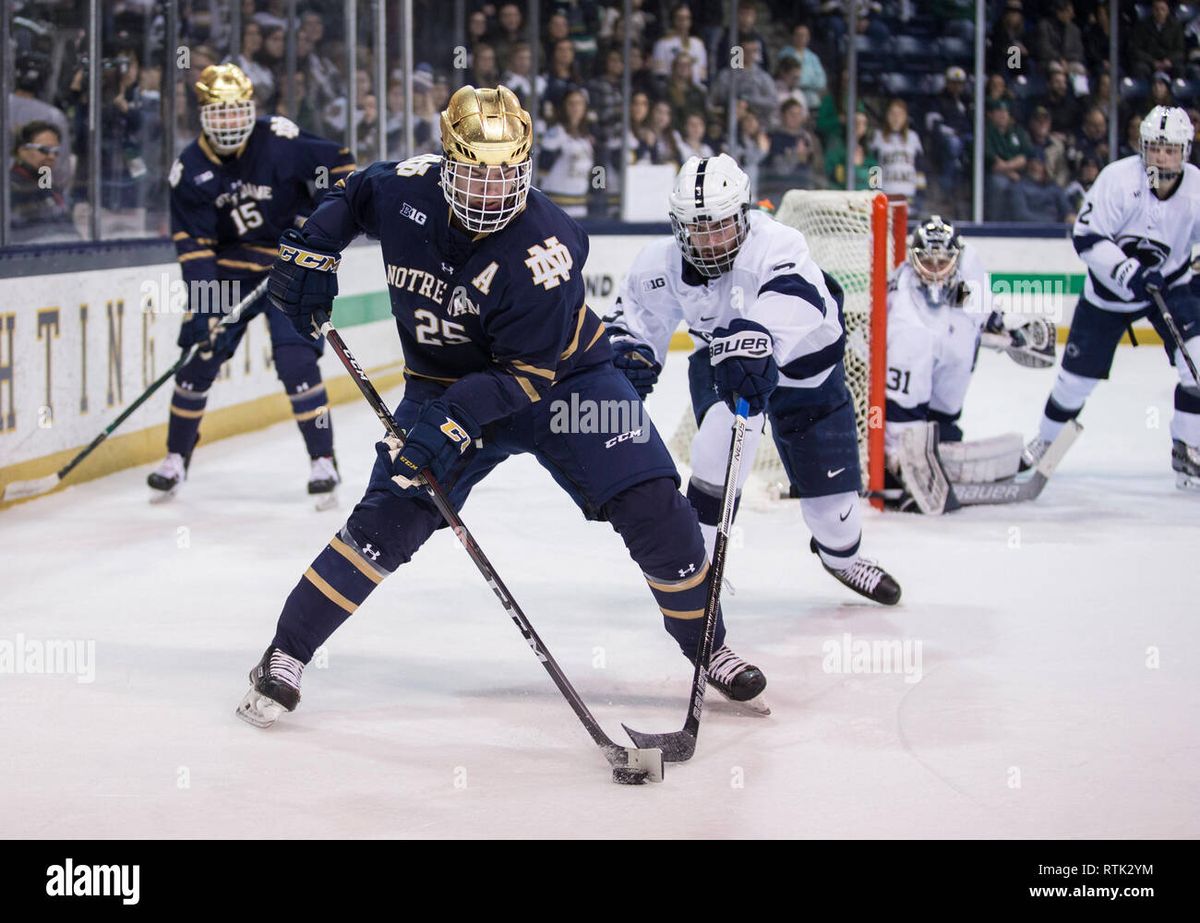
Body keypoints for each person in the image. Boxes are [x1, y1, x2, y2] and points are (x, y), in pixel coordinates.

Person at [237, 87, 768, 728]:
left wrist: (451, 421)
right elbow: (351, 196)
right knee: (389, 516)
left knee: (653, 502)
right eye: (475, 175)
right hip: (443, 383)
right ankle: (287, 652)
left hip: (568, 385)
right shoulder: (407, 188)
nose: (492, 193)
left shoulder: (546, 247)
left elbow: (524, 376)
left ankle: (709, 647)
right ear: (445, 163)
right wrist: (313, 247)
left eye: (507, 175)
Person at [605, 154, 902, 605]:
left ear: (744, 214)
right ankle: (695, 569)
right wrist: (629, 352)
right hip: (724, 361)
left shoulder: (778, 242)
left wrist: (758, 338)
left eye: (720, 225)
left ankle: (840, 557)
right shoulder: (658, 264)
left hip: (808, 371)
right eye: (696, 228)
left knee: (834, 515)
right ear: (678, 226)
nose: (708, 240)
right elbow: (635, 320)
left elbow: (799, 298)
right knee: (717, 448)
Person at [147, 64, 356, 503]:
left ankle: (323, 459)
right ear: (201, 115)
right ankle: (175, 460)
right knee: (198, 361)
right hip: (228, 277)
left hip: (288, 267)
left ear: (252, 110)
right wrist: (204, 310)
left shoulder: (279, 140)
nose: (228, 124)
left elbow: (341, 166)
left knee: (297, 363)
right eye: (218, 114)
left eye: (236, 112)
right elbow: (196, 251)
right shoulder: (188, 170)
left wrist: (321, 223)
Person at [1026, 105, 1200, 491]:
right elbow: (1086, 238)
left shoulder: (1196, 189)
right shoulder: (1117, 180)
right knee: (1074, 382)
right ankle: (1046, 444)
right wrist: (1128, 273)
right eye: (1155, 147)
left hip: (1170, 286)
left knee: (1198, 360)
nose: (1161, 156)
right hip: (1108, 294)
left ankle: (1189, 453)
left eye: (1170, 149)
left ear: (1185, 151)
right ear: (1143, 147)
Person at [885, 217, 1055, 513]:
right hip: (913, 358)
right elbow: (899, 406)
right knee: (907, 422)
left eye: (943, 262)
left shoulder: (970, 263)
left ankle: (941, 437)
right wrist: (904, 463)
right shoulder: (905, 319)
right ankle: (900, 464)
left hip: (951, 357)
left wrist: (1006, 326)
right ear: (913, 261)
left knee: (946, 419)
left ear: (957, 257)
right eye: (927, 262)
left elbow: (979, 303)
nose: (936, 271)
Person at [9, 121, 78, 243]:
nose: (51, 157)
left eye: (56, 152)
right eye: (44, 150)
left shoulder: (50, 187)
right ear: (22, 151)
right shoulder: (10, 188)